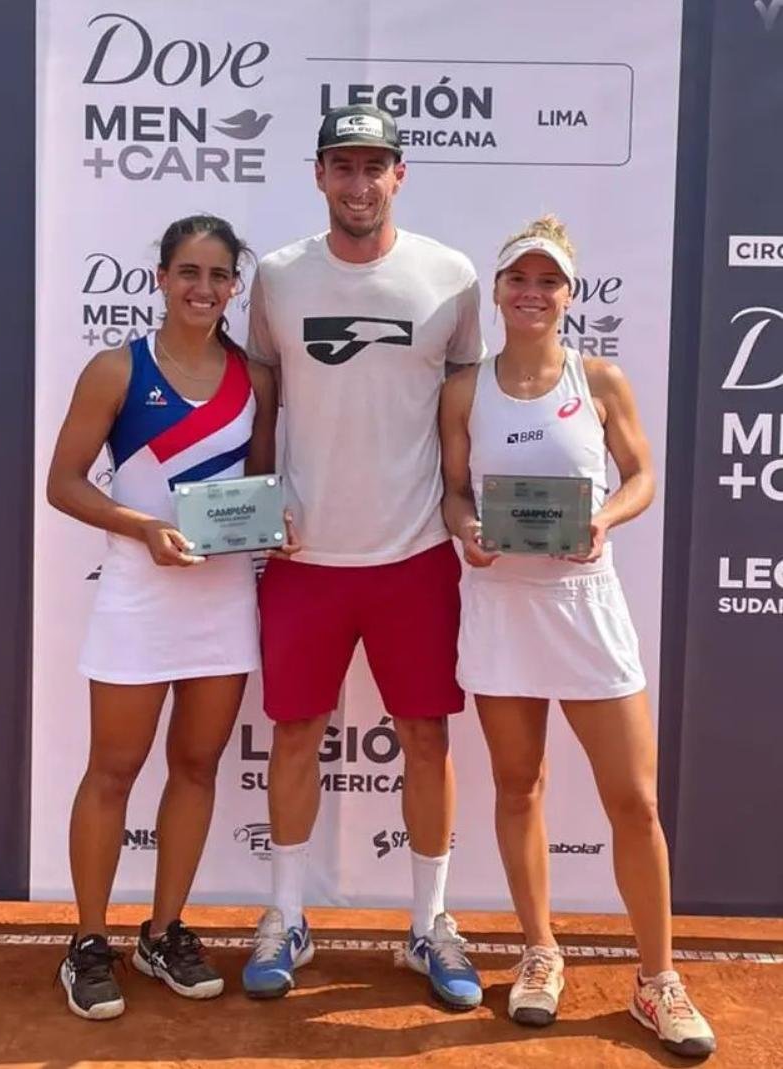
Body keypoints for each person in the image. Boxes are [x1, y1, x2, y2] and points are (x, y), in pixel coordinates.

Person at [439, 215, 716, 1057]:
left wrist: (602, 520)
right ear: (497, 291)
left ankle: (657, 979)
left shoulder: (600, 380)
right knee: (519, 787)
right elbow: (454, 493)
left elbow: (641, 477)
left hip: (585, 603)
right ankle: (539, 952)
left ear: (569, 292)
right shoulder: (464, 390)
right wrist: (466, 532)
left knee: (633, 801)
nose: (531, 292)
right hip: (500, 606)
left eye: (548, 280)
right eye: (518, 278)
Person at [241, 104, 485, 1009]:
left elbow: (459, 416)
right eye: (341, 166)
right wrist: (264, 504)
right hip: (305, 560)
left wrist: (462, 510)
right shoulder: (276, 276)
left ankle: (429, 924)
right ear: (318, 176)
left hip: (416, 552)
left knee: (427, 735)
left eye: (373, 167)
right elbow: (264, 397)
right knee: (296, 733)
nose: (357, 184)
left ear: (399, 175)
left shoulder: (450, 278)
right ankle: (286, 914)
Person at [47, 214, 287, 1020]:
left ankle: (163, 929)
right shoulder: (118, 369)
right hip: (137, 592)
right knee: (112, 769)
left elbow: (258, 486)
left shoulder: (254, 377)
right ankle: (88, 940)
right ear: (160, 277)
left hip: (220, 596)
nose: (204, 288)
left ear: (233, 288)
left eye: (220, 276)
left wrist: (271, 525)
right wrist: (141, 528)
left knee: (196, 766)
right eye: (189, 272)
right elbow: (66, 483)